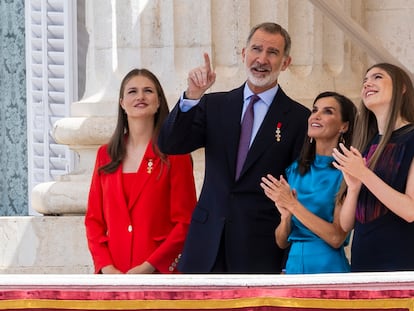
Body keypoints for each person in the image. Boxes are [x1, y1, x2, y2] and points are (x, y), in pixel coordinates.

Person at [158, 22, 310, 273]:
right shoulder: (214, 105)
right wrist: (192, 95)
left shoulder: (298, 118)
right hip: (205, 246)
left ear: (285, 62)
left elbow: (298, 189)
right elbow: (170, 143)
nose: (262, 59)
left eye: (272, 53)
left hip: (260, 249)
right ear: (243, 54)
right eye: (256, 49)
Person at [85, 68, 197, 274]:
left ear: (158, 102)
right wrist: (106, 267)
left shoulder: (175, 154)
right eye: (132, 91)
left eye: (148, 91)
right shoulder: (105, 154)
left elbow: (185, 222)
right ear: (122, 103)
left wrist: (149, 267)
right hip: (114, 277)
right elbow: (93, 220)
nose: (140, 96)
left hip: (159, 276)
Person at [260, 91, 356, 274]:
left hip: (329, 269)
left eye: (328, 111)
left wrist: (293, 205)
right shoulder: (294, 170)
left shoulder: (347, 172)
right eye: (314, 110)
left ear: (343, 126)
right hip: (293, 268)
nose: (316, 116)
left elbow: (336, 237)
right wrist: (286, 217)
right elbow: (281, 241)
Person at [333, 63, 414, 272]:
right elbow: (345, 224)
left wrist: (363, 173)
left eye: (377, 77)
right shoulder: (365, 144)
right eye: (365, 80)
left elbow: (410, 210)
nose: (368, 83)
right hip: (363, 265)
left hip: (402, 266)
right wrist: (353, 188)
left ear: (402, 87)